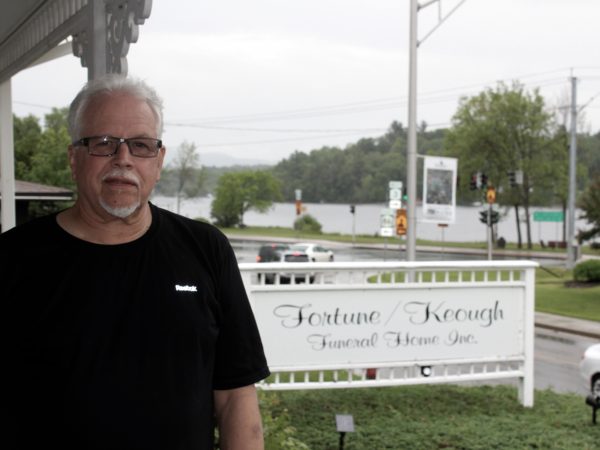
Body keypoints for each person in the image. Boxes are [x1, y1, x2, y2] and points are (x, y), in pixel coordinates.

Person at [0, 75, 270, 449]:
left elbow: (236, 398)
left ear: (158, 161)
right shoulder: (12, 260)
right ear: (74, 158)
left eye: (141, 145)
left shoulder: (206, 250)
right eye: (103, 143)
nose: (123, 159)